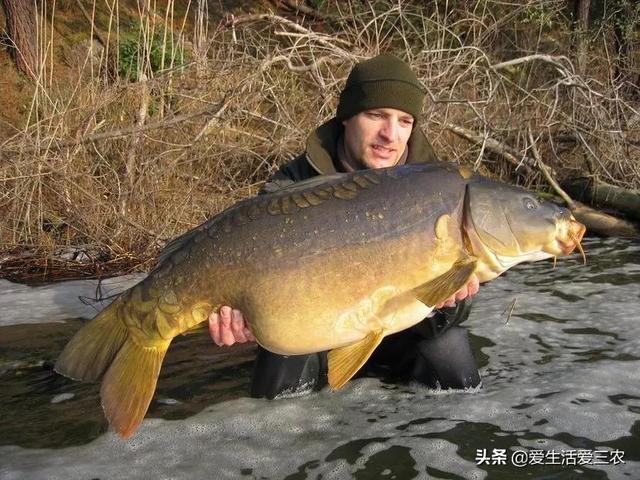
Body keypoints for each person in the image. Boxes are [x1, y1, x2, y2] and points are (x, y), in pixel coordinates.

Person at [208, 53, 482, 399]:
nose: (390, 135)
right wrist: (242, 315)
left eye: (405, 121)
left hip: (403, 328)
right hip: (319, 331)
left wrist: (450, 300)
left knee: (451, 357)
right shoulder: (293, 185)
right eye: (376, 115)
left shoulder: (439, 186)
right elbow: (249, 271)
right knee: (281, 370)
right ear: (347, 118)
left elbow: (462, 294)